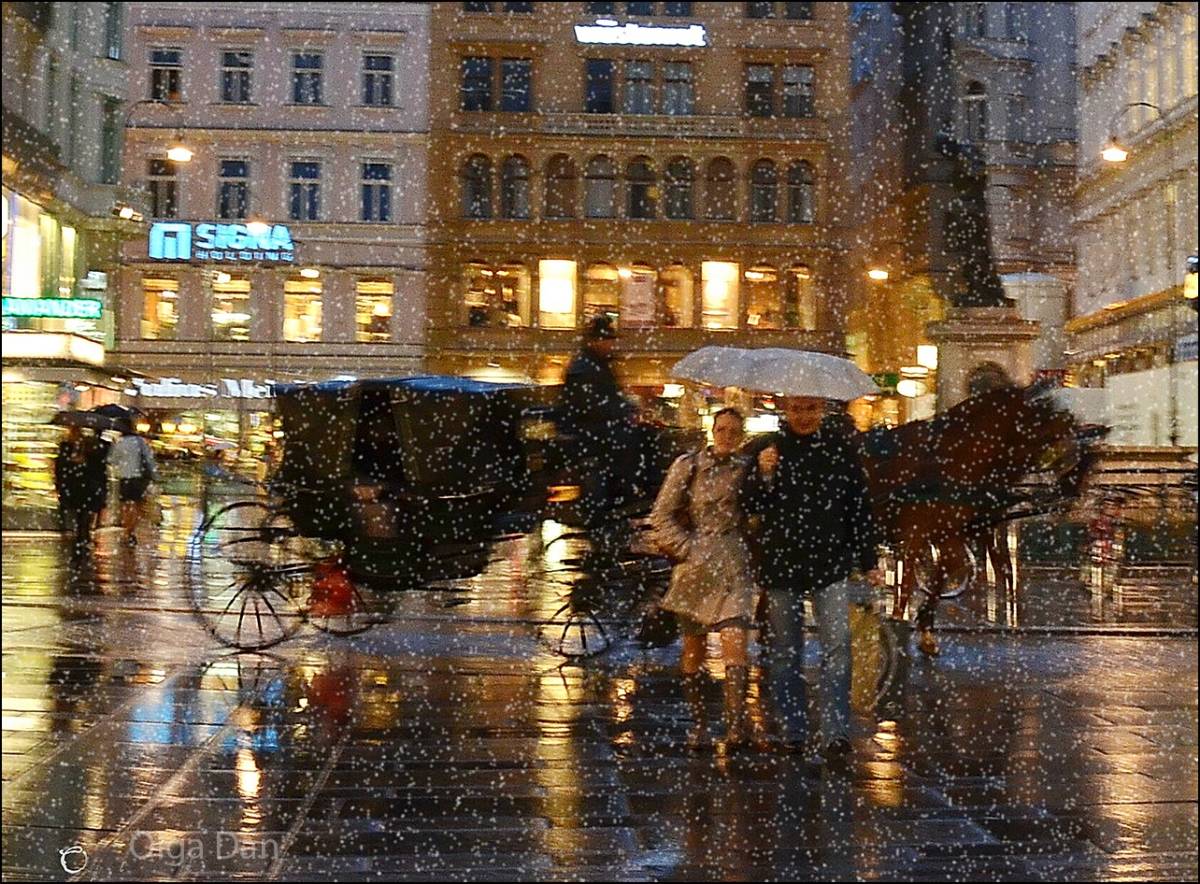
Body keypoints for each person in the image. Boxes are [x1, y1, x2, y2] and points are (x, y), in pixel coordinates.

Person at [741, 396, 883, 760]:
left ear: (821, 410)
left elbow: (858, 506)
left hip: (829, 563)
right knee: (786, 653)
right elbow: (749, 505)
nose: (804, 416)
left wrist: (868, 559)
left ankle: (835, 733)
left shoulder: (839, 451)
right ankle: (794, 730)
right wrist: (764, 474)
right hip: (782, 563)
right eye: (797, 409)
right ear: (786, 411)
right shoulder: (766, 449)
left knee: (837, 650)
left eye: (811, 409)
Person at [651, 407, 758, 750]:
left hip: (734, 563)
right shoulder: (689, 466)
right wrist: (686, 547)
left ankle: (736, 725)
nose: (727, 436)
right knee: (693, 649)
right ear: (712, 431)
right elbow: (661, 515)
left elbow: (762, 510)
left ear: (741, 435)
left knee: (735, 642)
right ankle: (699, 722)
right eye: (721, 429)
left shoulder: (749, 471)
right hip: (696, 568)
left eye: (733, 431)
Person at [558, 314, 638, 522]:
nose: (611, 345)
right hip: (595, 441)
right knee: (597, 489)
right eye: (608, 340)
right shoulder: (585, 368)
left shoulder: (596, 365)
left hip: (600, 439)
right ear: (596, 340)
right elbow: (590, 406)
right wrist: (622, 410)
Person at [54, 427, 108, 552]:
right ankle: (83, 535)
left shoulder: (89, 450)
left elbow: (62, 466)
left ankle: (82, 535)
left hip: (82, 485)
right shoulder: (70, 447)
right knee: (84, 513)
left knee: (83, 513)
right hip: (82, 485)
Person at [108, 426, 158, 546]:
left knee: (125, 506)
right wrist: (155, 475)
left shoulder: (119, 442)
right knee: (136, 506)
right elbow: (149, 460)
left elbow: (111, 460)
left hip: (124, 478)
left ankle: (127, 530)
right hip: (138, 478)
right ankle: (131, 531)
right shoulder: (140, 442)